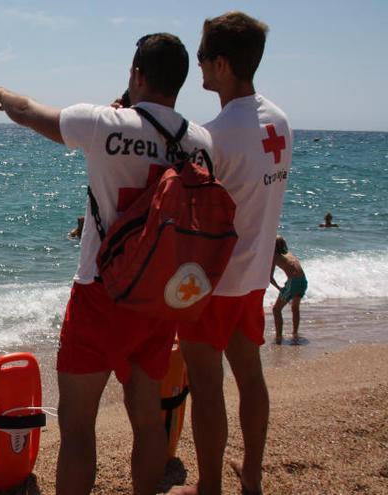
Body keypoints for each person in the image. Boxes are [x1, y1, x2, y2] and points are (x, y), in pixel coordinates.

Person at [0, 33, 211, 495]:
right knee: (148, 419)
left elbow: (30, 112)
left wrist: (2, 95)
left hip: (99, 294)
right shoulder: (201, 142)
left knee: (78, 422)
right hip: (158, 297)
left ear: (136, 75)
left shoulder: (105, 124)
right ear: (181, 82)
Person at [171, 11, 293, 495]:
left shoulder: (213, 135)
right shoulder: (279, 121)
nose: (198, 66)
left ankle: (209, 487)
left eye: (202, 56)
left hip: (212, 283)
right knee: (250, 376)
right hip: (254, 277)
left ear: (221, 64)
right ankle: (254, 480)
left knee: (206, 386)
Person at [270, 235, 306, 344]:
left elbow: (269, 277)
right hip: (303, 281)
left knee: (276, 310)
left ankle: (279, 337)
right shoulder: (290, 254)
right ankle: (295, 333)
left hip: (293, 282)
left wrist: (279, 288)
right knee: (295, 307)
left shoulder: (274, 256)